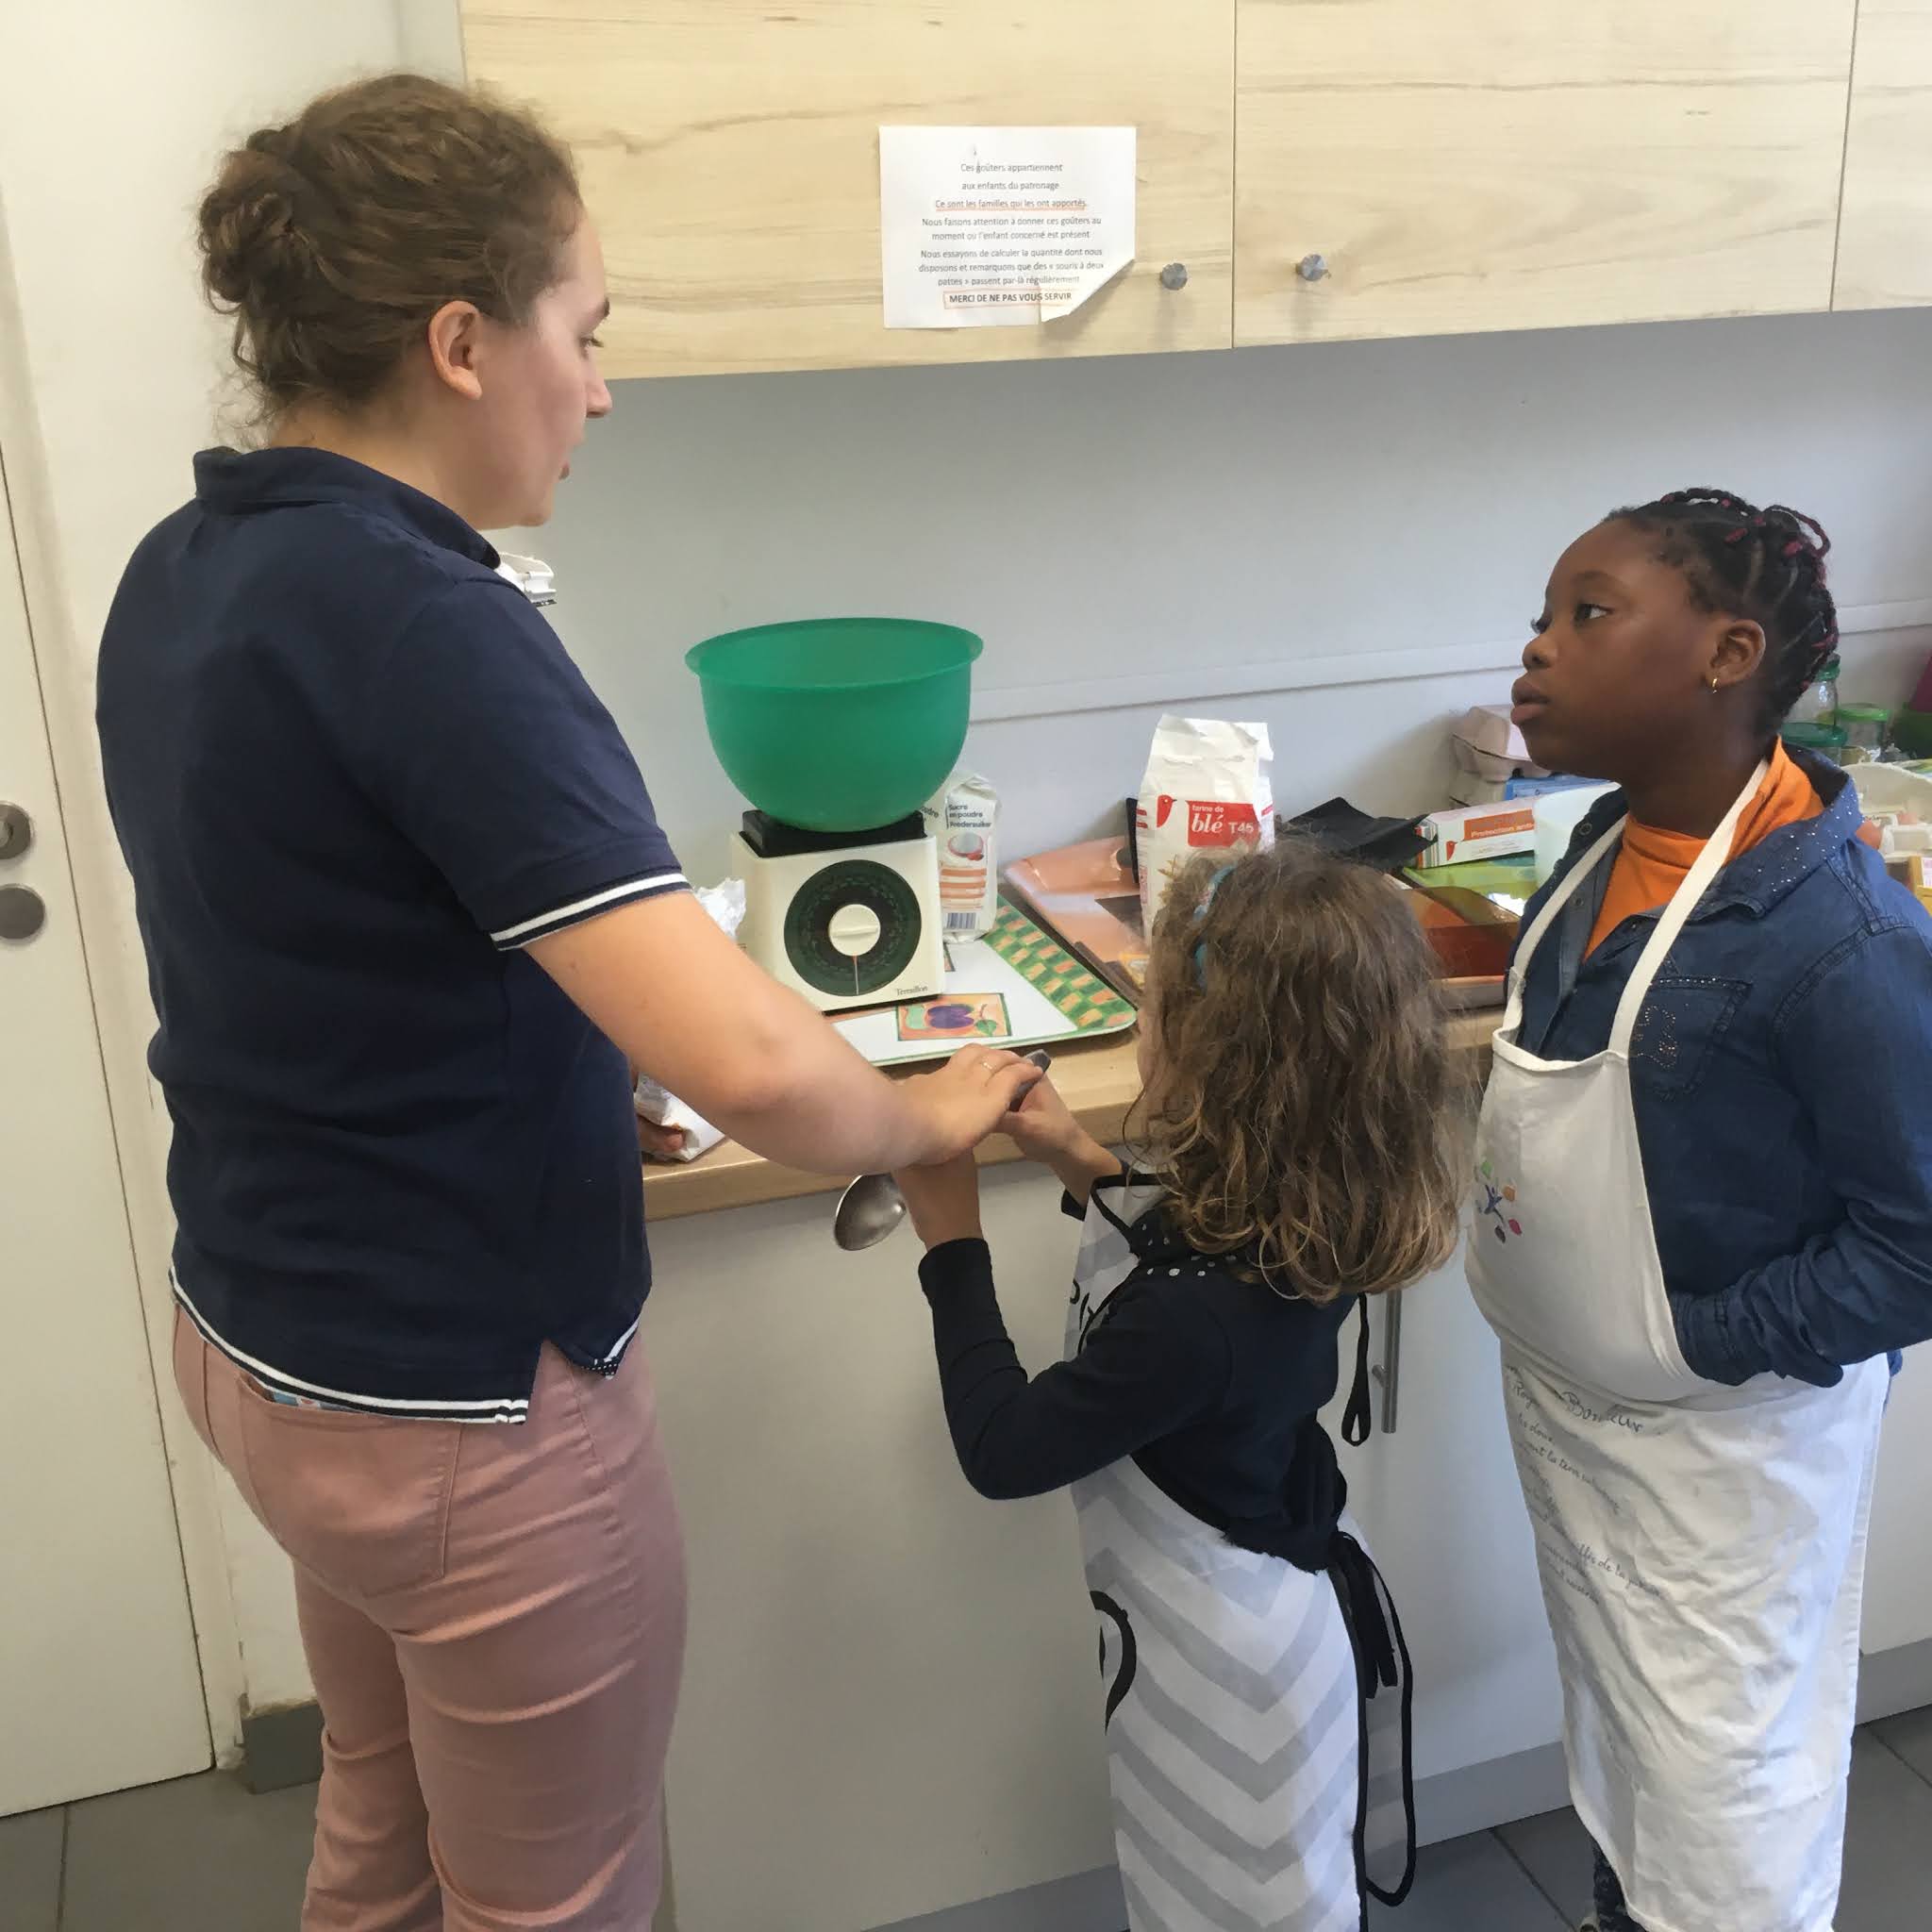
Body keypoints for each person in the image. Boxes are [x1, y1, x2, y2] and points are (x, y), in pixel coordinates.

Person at [94, 74, 1037, 1932]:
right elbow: (753, 1057)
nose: (599, 390)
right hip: (458, 1408)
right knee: (558, 1898)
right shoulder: (435, 625)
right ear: (462, 343)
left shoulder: (188, 565)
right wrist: (925, 1110)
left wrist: (558, 1068)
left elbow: (321, 937)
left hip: (260, 1339)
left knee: (377, 1817)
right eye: (584, 334)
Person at [1470, 488, 1932, 1932]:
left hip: (1719, 1458)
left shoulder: (1838, 941)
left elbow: (1918, 1250)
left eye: (1588, 614)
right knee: (1626, 1748)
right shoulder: (1601, 844)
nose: (1538, 648)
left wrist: (1697, 1338)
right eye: (1545, 615)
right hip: (1575, 1422)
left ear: (1729, 654)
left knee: (1727, 1808)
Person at [892, 842, 1465, 1932]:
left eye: (1148, 1006)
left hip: (1231, 1682)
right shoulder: (1305, 1200)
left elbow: (1004, 1447)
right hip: (1250, 1637)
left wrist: (950, 1240)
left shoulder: (1190, 1322)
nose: (1138, 1025)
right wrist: (1075, 1154)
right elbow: (1186, 1245)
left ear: (1205, 1058)